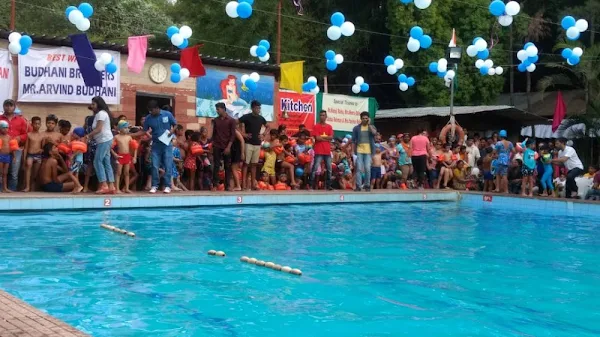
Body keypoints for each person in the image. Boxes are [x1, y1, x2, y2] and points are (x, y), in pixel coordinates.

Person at [143, 100, 177, 194]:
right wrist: (150, 137)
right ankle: (154, 185)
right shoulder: (148, 118)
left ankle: (168, 186)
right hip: (156, 144)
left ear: (157, 108)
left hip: (167, 144)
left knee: (167, 164)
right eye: (149, 110)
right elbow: (145, 130)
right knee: (154, 165)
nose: (150, 112)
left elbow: (175, 125)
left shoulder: (167, 114)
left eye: (152, 110)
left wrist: (172, 131)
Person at [86, 97, 116, 194]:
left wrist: (88, 136)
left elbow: (98, 129)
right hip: (105, 139)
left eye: (94, 104)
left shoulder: (101, 114)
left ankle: (104, 185)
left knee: (97, 161)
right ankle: (111, 186)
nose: (92, 106)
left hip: (104, 140)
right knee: (106, 162)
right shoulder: (102, 113)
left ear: (98, 104)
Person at [0, 99, 29, 191]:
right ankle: (1, 190)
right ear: (3, 107)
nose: (8, 107)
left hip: (15, 149)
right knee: (1, 172)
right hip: (2, 149)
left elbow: (26, 134)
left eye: (11, 105)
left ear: (14, 107)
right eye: (6, 105)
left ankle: (12, 191)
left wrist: (19, 138)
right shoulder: (0, 119)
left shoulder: (21, 120)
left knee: (14, 172)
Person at [239, 100, 269, 190]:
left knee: (254, 164)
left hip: (257, 144)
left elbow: (268, 126)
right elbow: (235, 124)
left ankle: (253, 185)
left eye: (259, 108)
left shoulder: (261, 118)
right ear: (252, 108)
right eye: (257, 108)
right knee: (246, 164)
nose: (258, 110)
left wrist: (263, 134)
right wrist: (243, 134)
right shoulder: (247, 117)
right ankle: (243, 185)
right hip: (248, 143)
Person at [211, 102, 236, 191]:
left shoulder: (231, 120)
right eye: (216, 109)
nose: (217, 111)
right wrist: (212, 144)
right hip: (217, 145)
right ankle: (215, 185)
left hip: (227, 145)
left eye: (218, 109)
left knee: (227, 166)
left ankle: (228, 185)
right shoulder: (216, 120)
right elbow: (214, 134)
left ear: (223, 109)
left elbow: (233, 135)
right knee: (216, 165)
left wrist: (228, 147)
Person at [352, 111, 377, 191]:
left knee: (367, 168)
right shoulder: (356, 128)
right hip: (359, 150)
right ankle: (358, 186)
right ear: (360, 119)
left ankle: (367, 185)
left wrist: (369, 125)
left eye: (366, 118)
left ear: (368, 119)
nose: (365, 120)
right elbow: (353, 140)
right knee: (358, 168)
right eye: (363, 118)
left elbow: (374, 133)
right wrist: (353, 151)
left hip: (369, 151)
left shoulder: (371, 127)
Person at [310, 110, 334, 190]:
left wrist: (322, 138)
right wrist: (326, 138)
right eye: (321, 115)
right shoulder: (316, 126)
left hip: (327, 151)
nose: (322, 117)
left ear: (326, 116)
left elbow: (331, 137)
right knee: (315, 168)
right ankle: (311, 185)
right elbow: (317, 138)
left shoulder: (329, 127)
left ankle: (328, 185)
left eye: (323, 115)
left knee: (329, 169)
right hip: (318, 150)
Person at [111, 121, 137, 194]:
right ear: (120, 128)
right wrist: (115, 154)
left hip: (127, 156)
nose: (127, 130)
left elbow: (135, 147)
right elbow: (110, 147)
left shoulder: (129, 137)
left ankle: (127, 188)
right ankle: (117, 188)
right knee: (118, 173)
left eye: (128, 128)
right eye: (125, 128)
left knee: (127, 173)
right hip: (120, 156)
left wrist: (134, 157)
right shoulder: (116, 137)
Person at [21, 116, 43, 192]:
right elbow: (26, 148)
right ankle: (27, 186)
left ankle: (32, 187)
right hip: (30, 155)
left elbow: (43, 147)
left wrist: (41, 150)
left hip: (38, 156)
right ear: (32, 124)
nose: (37, 125)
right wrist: (24, 158)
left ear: (40, 125)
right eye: (35, 124)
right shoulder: (29, 134)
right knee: (28, 167)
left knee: (35, 173)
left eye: (38, 124)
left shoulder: (41, 135)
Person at [68, 127, 86, 194]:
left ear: (77, 134)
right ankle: (75, 189)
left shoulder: (80, 142)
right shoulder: (77, 141)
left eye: (74, 133)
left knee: (70, 173)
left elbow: (80, 150)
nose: (72, 134)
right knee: (76, 174)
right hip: (78, 160)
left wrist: (73, 156)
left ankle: (79, 186)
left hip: (77, 160)